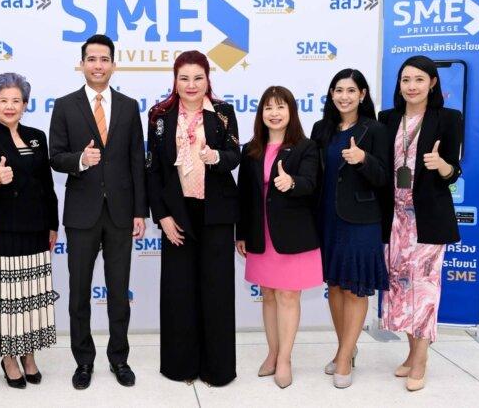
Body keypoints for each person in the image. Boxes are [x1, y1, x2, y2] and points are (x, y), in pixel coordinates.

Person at [49, 34, 147, 390]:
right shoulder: (65, 105)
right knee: (79, 294)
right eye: (91, 59)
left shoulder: (128, 106)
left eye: (104, 59)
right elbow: (55, 156)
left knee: (119, 293)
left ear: (113, 65)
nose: (98, 65)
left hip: (121, 213)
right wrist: (80, 159)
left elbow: (137, 160)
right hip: (82, 214)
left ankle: (119, 358)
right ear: (82, 64)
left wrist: (140, 211)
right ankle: (84, 361)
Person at [147, 50, 240, 387]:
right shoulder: (159, 116)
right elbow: (153, 170)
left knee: (216, 291)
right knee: (179, 291)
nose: (191, 84)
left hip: (216, 212)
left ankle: (216, 369)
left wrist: (216, 157)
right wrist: (163, 216)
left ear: (207, 79)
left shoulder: (223, 113)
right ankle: (180, 366)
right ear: (175, 80)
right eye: (184, 78)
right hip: (177, 212)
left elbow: (234, 155)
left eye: (198, 78)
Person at [378, 55, 462, 392]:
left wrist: (442, 164)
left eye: (419, 80)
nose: (411, 86)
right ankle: (412, 353)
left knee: (425, 291)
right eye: (406, 80)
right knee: (401, 290)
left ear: (432, 83)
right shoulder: (387, 119)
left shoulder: (448, 119)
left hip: (428, 219)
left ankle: (422, 359)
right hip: (394, 219)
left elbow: (453, 172)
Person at [0, 73, 59, 388]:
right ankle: (9, 357)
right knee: (8, 298)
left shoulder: (37, 136)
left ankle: (29, 354)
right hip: (3, 227)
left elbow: (47, 185)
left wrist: (53, 223)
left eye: (16, 100)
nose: (10, 106)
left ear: (25, 105)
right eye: (3, 100)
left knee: (32, 296)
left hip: (36, 227)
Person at [236, 86, 321, 389]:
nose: (274, 113)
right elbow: (244, 195)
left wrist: (292, 182)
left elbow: (311, 183)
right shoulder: (251, 149)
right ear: (261, 113)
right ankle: (272, 353)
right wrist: (242, 233)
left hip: (293, 234)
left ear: (291, 112)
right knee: (269, 294)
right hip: (260, 234)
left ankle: (285, 359)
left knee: (288, 295)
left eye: (280, 107)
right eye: (268, 107)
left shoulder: (305, 147)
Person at [310, 69, 389, 388]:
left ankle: (343, 358)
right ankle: (347, 347)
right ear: (331, 94)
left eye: (351, 90)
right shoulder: (322, 129)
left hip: (362, 220)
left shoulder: (376, 129)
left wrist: (363, 159)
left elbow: (384, 177)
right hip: (327, 217)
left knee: (355, 287)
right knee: (335, 285)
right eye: (338, 90)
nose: (344, 96)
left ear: (363, 95)